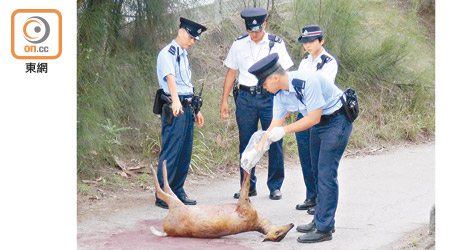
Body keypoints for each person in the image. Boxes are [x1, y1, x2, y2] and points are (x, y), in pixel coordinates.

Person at [247, 53, 352, 243]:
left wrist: (284, 131)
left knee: (326, 173)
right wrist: (256, 151)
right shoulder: (279, 94)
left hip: (337, 121)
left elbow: (313, 117)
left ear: (275, 78)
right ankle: (320, 219)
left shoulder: (306, 81)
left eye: (264, 84)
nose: (263, 88)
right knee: (315, 171)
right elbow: (274, 124)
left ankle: (324, 228)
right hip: (319, 125)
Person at [220, 7, 293, 200]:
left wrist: (286, 103)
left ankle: (275, 186)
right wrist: (224, 101)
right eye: (250, 31)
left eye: (257, 31)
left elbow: (285, 75)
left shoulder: (276, 44)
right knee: (246, 142)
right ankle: (247, 185)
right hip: (246, 98)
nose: (254, 34)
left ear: (265, 26)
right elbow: (231, 73)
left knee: (274, 138)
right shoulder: (239, 44)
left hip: (271, 98)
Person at [154, 17, 207, 209]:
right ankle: (162, 193)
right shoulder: (167, 53)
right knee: (171, 150)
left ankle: (177, 189)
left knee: (185, 150)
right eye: (191, 37)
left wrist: (196, 109)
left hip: (187, 106)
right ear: (181, 32)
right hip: (175, 106)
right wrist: (176, 100)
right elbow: (170, 78)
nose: (192, 42)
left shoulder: (183, 55)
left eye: (195, 39)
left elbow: (187, 83)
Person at [295, 25, 339, 215]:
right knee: (305, 157)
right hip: (303, 113)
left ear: (321, 41)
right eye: (305, 42)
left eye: (312, 41)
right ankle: (311, 195)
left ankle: (321, 200)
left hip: (319, 115)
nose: (308, 45)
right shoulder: (305, 61)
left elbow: (319, 87)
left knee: (319, 161)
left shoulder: (328, 62)